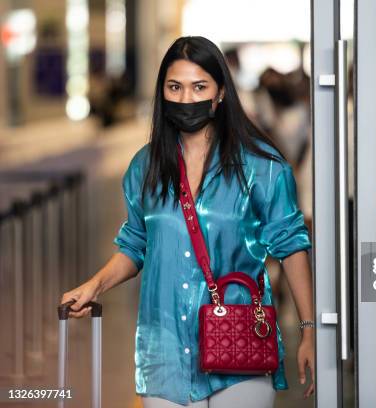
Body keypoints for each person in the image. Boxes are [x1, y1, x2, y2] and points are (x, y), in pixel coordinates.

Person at [60, 36, 315, 408]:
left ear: (221, 93)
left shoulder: (262, 168)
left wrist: (308, 331)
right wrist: (94, 286)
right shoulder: (144, 168)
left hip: (240, 344)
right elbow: (135, 244)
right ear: (162, 93)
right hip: (164, 351)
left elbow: (292, 246)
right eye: (174, 87)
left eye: (199, 87)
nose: (185, 99)